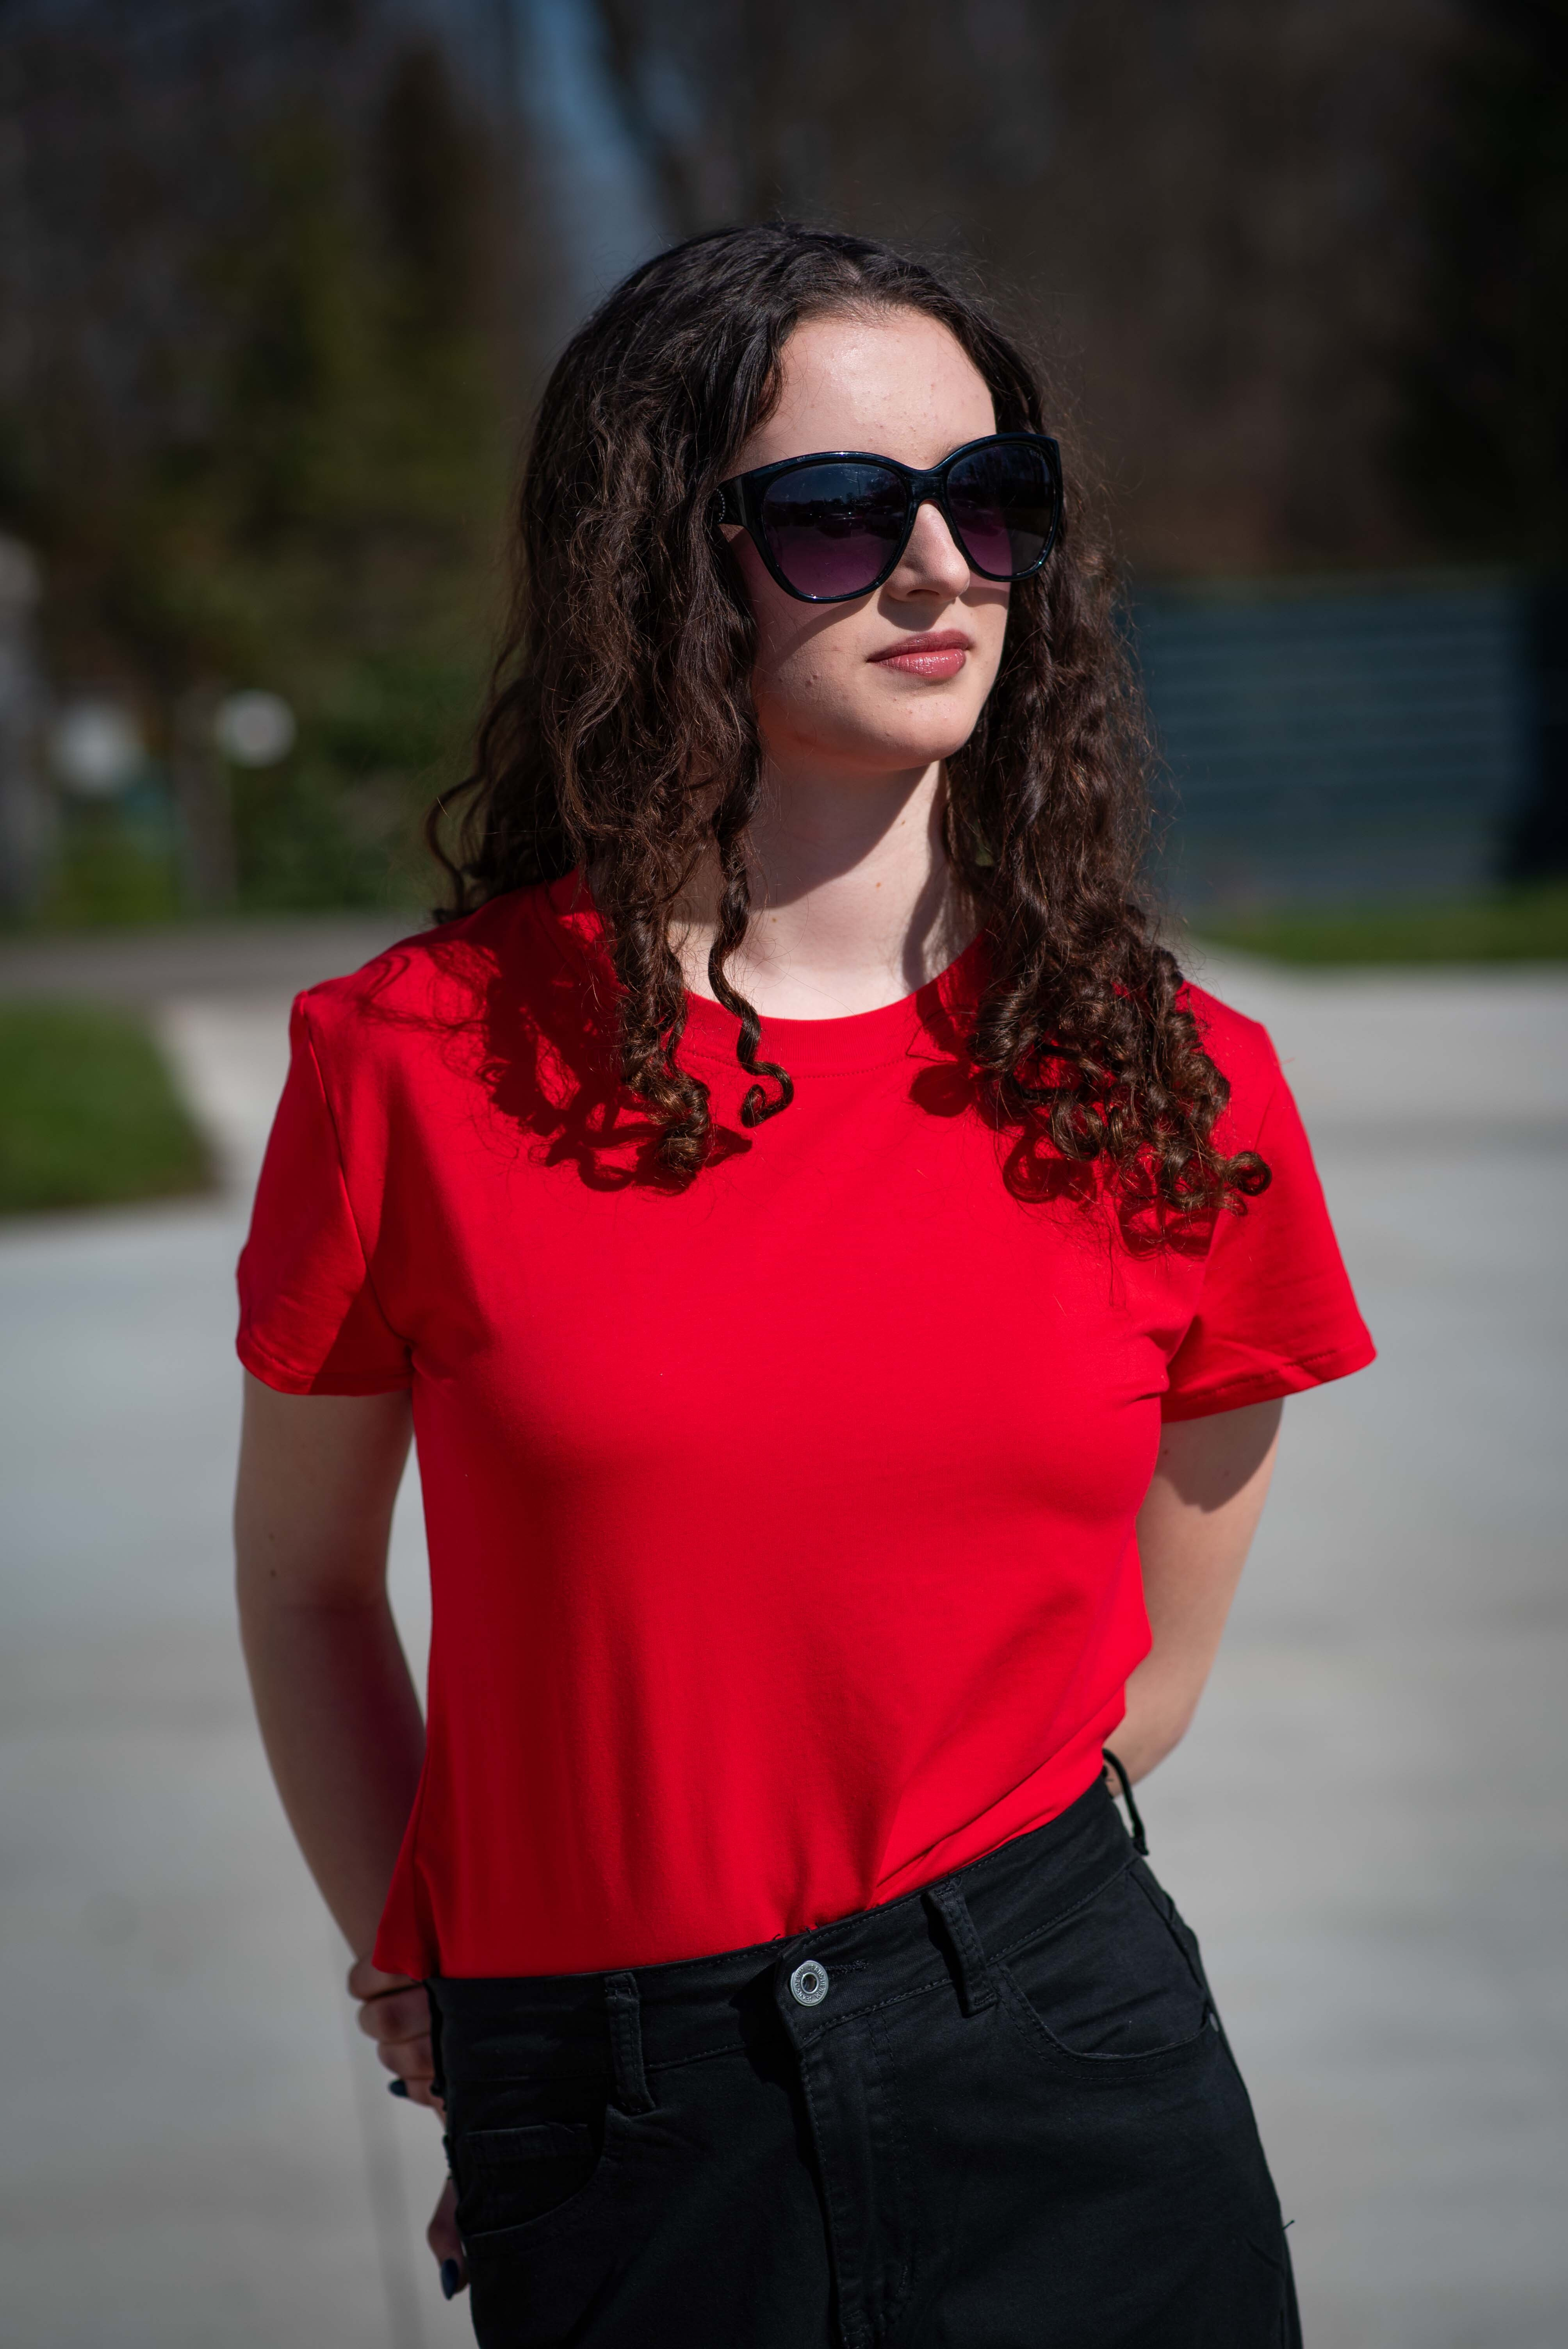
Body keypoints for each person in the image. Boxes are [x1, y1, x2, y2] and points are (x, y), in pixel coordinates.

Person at [233, 223, 1373, 2349]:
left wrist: (949, 1933)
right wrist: (442, 1986)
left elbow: (1139, 1661)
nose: (943, 569)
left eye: (995, 499)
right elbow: (306, 1587)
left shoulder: (1179, 1081)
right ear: (659, 565)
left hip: (1068, 2070)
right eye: (844, 514)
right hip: (622, 2106)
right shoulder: (411, 1065)